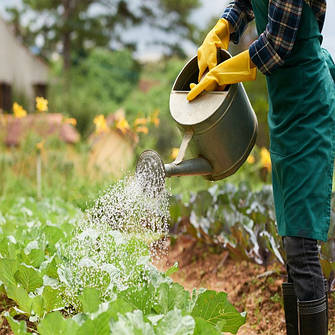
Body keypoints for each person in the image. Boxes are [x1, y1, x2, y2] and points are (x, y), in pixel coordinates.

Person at [188, 1, 335, 334]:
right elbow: (244, 3)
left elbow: (275, 46)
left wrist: (222, 73)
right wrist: (222, 28)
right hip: (285, 106)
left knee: (302, 243)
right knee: (290, 241)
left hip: (309, 104)